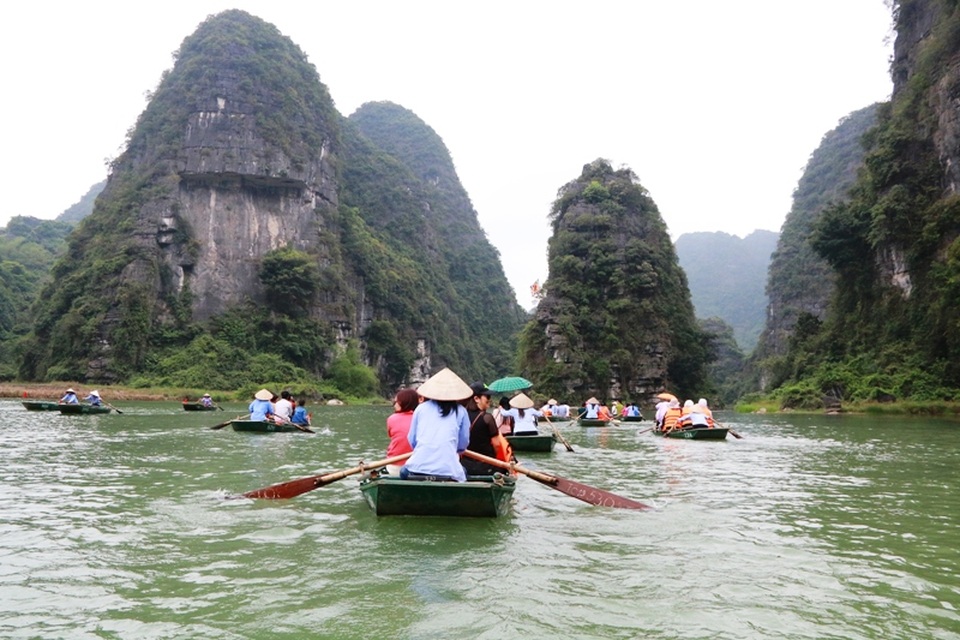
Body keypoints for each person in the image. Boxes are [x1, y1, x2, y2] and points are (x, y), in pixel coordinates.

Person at [401, 368, 472, 482]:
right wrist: (454, 450)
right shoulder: (461, 411)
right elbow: (463, 444)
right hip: (449, 471)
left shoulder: (420, 408)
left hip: (417, 469)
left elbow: (412, 440)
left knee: (403, 471)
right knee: (464, 472)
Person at [462, 382, 511, 476]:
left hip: (465, 465)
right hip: (486, 466)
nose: (490, 400)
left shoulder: (461, 416)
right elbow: (496, 445)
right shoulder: (487, 418)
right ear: (476, 398)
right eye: (487, 397)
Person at [385, 388, 419, 474]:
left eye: (396, 402)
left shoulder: (392, 419)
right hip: (418, 465)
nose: (394, 405)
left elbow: (391, 436)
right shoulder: (422, 418)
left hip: (394, 465)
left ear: (404, 403)